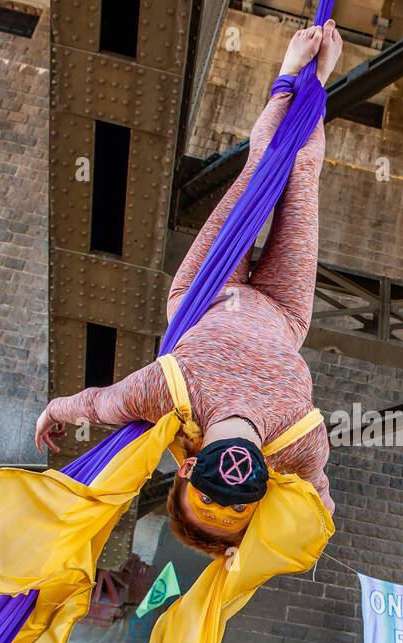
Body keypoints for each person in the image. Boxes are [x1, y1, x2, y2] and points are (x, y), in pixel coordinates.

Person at [34, 22, 345, 558]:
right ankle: (319, 81)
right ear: (262, 493)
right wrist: (247, 558)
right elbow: (321, 511)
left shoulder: (168, 398)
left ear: (185, 467)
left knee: (265, 165)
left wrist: (54, 410)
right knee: (304, 171)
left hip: (207, 288)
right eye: (236, 508)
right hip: (284, 311)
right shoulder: (299, 446)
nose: (228, 490)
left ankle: (290, 74)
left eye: (209, 500)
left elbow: (101, 403)